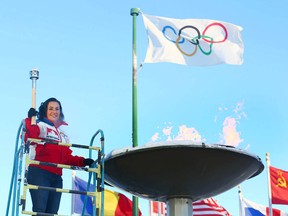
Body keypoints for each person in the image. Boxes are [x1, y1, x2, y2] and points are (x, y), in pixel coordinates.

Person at [24, 97, 94, 214]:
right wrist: (30, 118)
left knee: (52, 212)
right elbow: (31, 137)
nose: (54, 111)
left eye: (57, 109)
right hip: (39, 171)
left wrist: (83, 161)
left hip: (56, 176)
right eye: (50, 108)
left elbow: (66, 157)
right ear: (44, 110)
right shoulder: (38, 124)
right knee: (40, 210)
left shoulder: (62, 134)